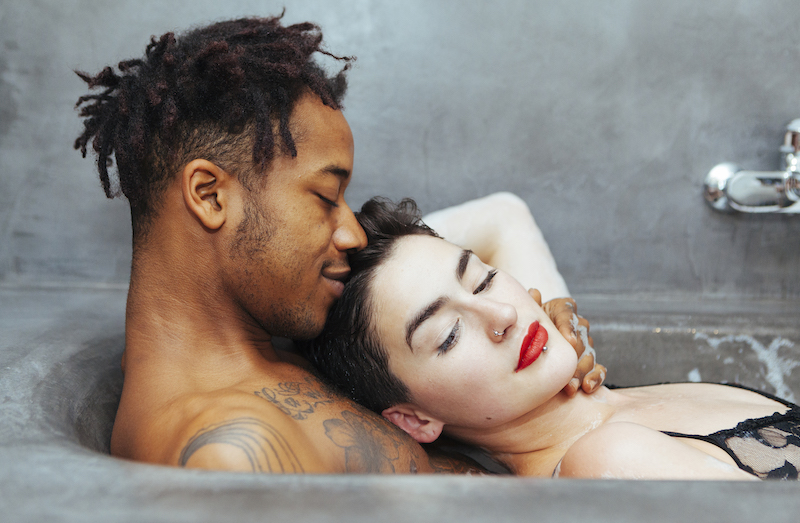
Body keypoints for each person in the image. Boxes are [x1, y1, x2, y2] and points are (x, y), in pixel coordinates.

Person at [73, 16, 604, 474]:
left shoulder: (274, 333)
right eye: (326, 197)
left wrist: (537, 321)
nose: (351, 234)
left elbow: (498, 220)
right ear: (210, 196)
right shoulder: (232, 455)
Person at [304, 197, 800, 480]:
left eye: (481, 278)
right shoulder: (607, 459)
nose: (501, 313)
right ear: (414, 419)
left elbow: (505, 213)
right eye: (449, 336)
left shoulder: (604, 396)